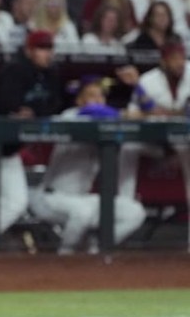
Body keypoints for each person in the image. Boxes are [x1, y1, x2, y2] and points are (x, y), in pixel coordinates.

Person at [0, 30, 62, 255]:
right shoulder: (14, 69)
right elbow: (9, 102)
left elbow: (55, 104)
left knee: (17, 203)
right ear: (29, 50)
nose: (47, 54)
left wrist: (34, 111)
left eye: (49, 49)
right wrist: (27, 111)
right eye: (41, 49)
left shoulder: (51, 74)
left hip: (7, 149)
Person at [29, 77, 146, 255]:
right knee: (82, 212)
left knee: (134, 212)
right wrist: (125, 114)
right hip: (50, 198)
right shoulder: (70, 116)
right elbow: (94, 111)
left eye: (101, 96)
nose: (98, 100)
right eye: (92, 95)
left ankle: (98, 249)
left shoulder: (108, 125)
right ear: (79, 100)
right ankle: (64, 257)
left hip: (82, 198)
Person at [127, 41, 190, 250]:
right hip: (152, 141)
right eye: (174, 59)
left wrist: (168, 112)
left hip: (185, 143)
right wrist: (152, 113)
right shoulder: (148, 80)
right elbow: (131, 114)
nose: (180, 63)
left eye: (182, 58)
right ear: (164, 61)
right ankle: (122, 208)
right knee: (125, 147)